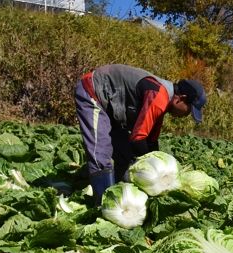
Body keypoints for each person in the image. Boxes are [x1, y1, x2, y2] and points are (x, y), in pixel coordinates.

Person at [74, 64, 206, 204]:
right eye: (188, 110)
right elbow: (138, 138)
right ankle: (104, 205)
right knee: (100, 152)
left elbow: (151, 141)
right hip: (93, 91)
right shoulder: (159, 95)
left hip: (110, 106)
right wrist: (152, 168)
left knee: (124, 154)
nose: (186, 115)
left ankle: (112, 190)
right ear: (180, 98)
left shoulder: (164, 101)